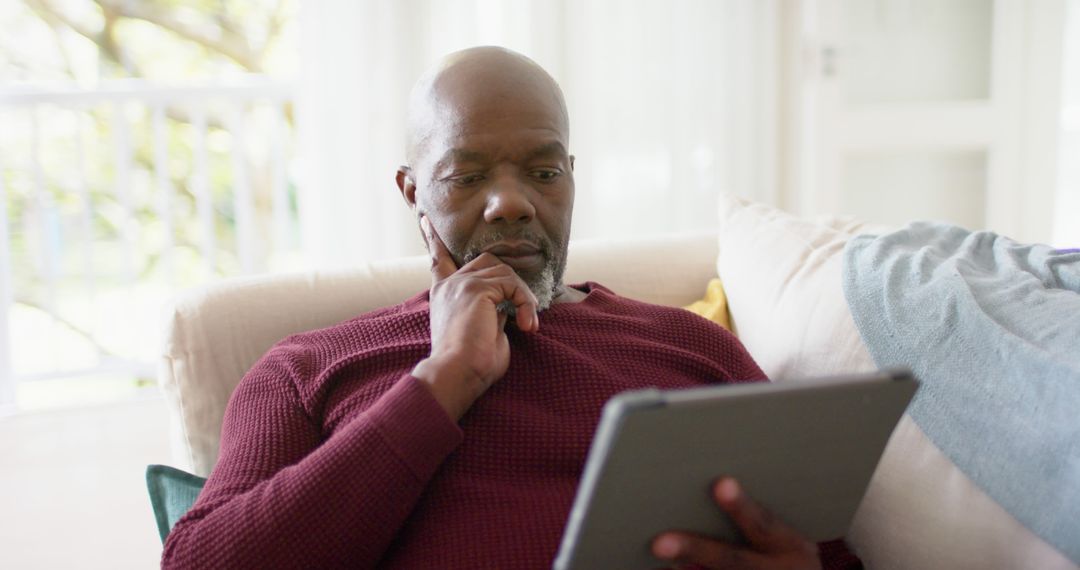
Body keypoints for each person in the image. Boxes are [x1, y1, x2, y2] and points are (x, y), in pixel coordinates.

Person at [162, 46, 861, 569]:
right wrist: (445, 380)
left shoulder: (692, 346)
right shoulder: (307, 369)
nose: (512, 202)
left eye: (544, 171)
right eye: (466, 177)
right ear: (413, 193)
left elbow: (826, 551)